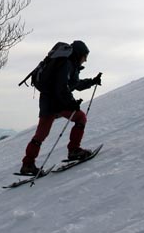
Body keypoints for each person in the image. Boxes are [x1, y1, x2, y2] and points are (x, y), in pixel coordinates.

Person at [20, 40, 102, 175]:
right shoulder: (67, 64)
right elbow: (61, 87)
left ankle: (28, 164)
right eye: (84, 56)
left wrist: (92, 81)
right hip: (57, 101)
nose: (85, 60)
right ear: (79, 54)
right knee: (80, 118)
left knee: (41, 134)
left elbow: (74, 84)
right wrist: (70, 103)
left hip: (47, 101)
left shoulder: (68, 65)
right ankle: (74, 150)